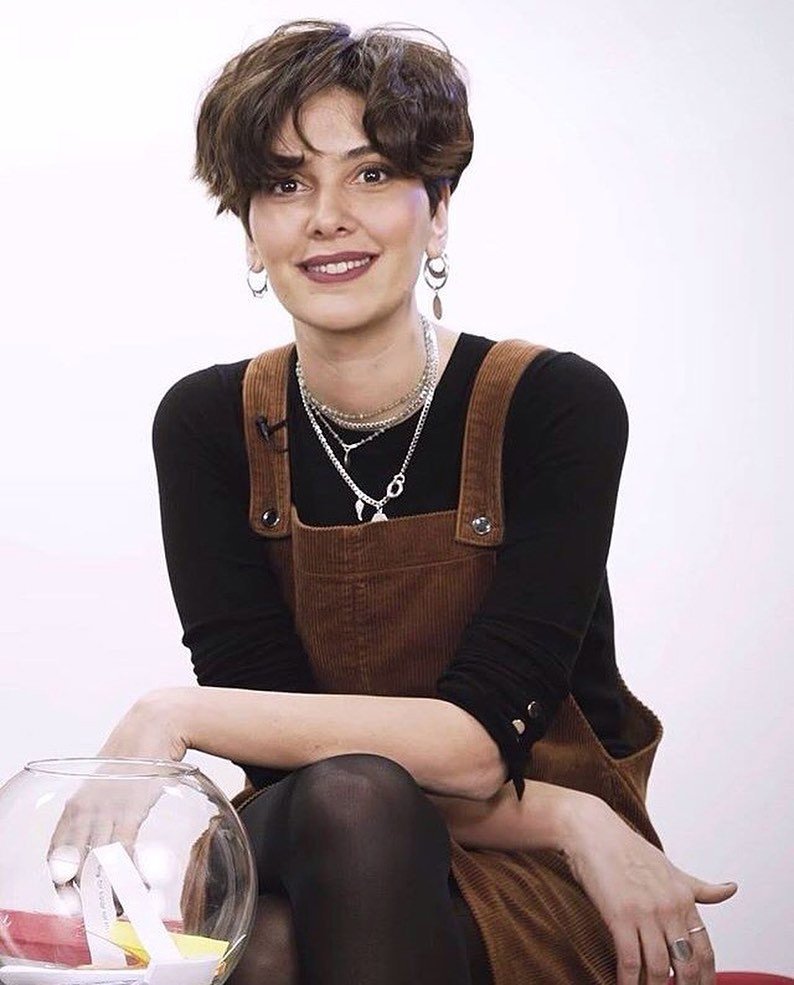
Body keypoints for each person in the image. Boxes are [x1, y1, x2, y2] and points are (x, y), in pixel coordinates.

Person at [88, 18, 737, 985]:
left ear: (438, 212)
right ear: (251, 228)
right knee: (347, 800)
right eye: (285, 183)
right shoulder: (207, 425)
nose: (326, 217)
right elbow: (290, 760)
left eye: (372, 174)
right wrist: (571, 816)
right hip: (324, 834)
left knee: (273, 945)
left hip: (532, 869)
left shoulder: (555, 406)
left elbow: (477, 749)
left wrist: (171, 712)